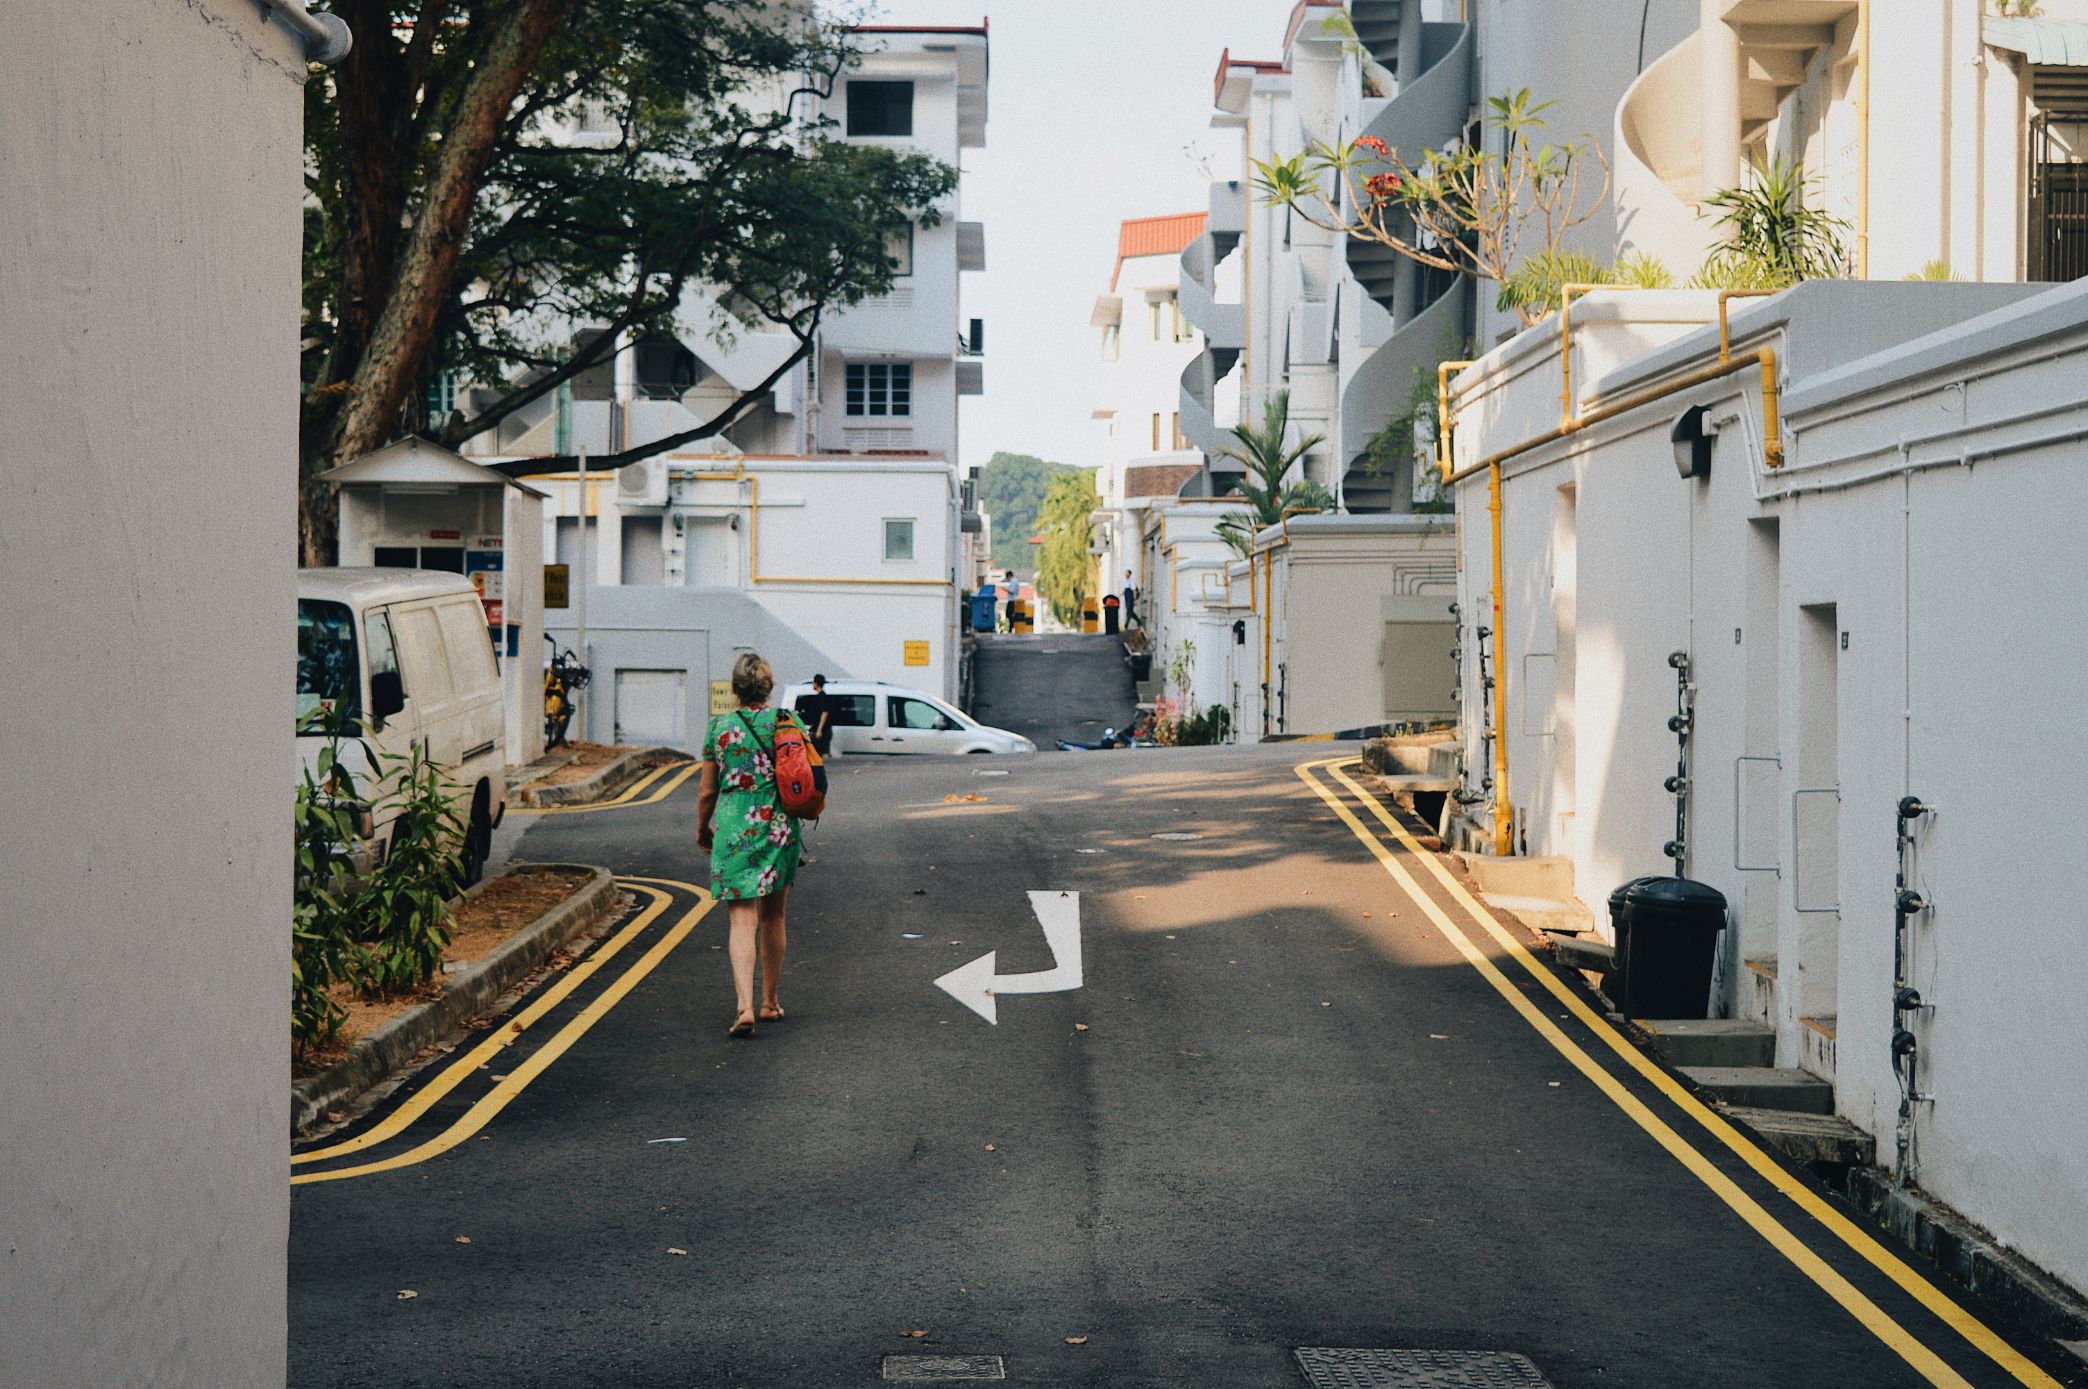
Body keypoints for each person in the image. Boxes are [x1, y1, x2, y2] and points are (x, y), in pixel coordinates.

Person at [696, 651, 803, 1037]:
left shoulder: (718, 728)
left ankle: (744, 1007)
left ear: (734, 689)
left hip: (733, 827)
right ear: (769, 687)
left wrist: (701, 829)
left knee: (742, 919)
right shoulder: (785, 722)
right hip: (778, 827)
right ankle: (770, 1002)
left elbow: (707, 791)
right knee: (774, 916)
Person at [801, 672, 836, 759]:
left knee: (816, 752)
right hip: (819, 729)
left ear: (816, 683)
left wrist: (819, 730)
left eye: (813, 682)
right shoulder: (821, 697)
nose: (812, 684)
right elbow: (816, 716)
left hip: (822, 730)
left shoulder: (822, 697)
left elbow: (824, 713)